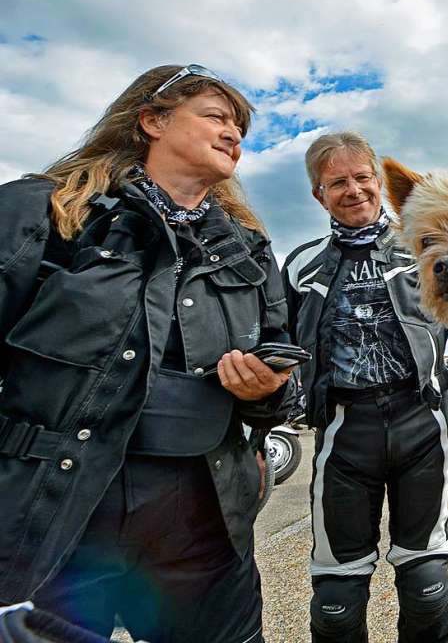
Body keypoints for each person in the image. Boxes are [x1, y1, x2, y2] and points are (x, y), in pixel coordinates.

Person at [0, 64, 295, 643]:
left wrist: (271, 391)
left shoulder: (251, 250)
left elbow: (284, 386)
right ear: (153, 120)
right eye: (216, 116)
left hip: (206, 522)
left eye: (240, 126)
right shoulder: (47, 214)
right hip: (60, 510)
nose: (234, 133)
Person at [283, 131, 448, 643]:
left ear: (378, 181)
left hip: (420, 422)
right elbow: (278, 344)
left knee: (427, 584)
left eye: (362, 177)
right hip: (343, 429)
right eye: (337, 182)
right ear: (319, 195)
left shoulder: (426, 245)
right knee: (335, 600)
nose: (353, 190)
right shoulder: (299, 264)